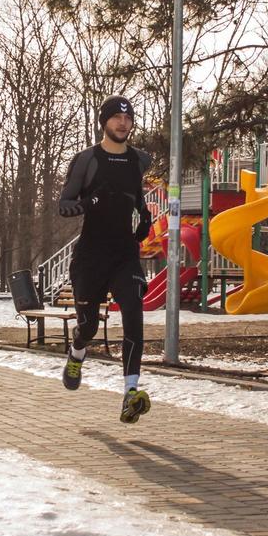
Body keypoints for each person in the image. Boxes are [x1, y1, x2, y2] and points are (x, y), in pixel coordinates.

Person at [57, 95, 154, 424]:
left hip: (124, 253)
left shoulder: (139, 160)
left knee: (134, 313)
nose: (123, 123)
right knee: (89, 326)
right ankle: (77, 352)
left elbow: (137, 197)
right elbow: (64, 203)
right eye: (116, 117)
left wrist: (145, 216)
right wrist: (89, 203)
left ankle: (130, 393)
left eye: (128, 118)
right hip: (90, 256)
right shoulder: (87, 160)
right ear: (104, 122)